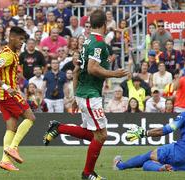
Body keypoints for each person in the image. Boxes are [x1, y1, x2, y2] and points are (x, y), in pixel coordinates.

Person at [42, 10, 128, 180]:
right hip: (90, 94)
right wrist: (115, 74)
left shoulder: (87, 41)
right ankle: (87, 173)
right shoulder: (98, 43)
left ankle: (58, 128)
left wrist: (75, 95)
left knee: (94, 135)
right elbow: (92, 68)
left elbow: (76, 71)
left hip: (84, 93)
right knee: (102, 135)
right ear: (105, 25)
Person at [114, 93, 185, 172]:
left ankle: (120, 166)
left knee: (151, 154)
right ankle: (162, 168)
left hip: (180, 151)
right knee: (147, 164)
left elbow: (166, 130)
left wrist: (144, 133)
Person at [0, 27, 36, 171]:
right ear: (12, 38)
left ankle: (5, 161)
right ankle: (13, 148)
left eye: (24, 40)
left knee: (12, 126)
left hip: (2, 94)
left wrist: (24, 84)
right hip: (7, 94)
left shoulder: (10, 53)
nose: (23, 42)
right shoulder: (8, 55)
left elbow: (8, 71)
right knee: (30, 117)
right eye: (21, 39)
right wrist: (6, 87)